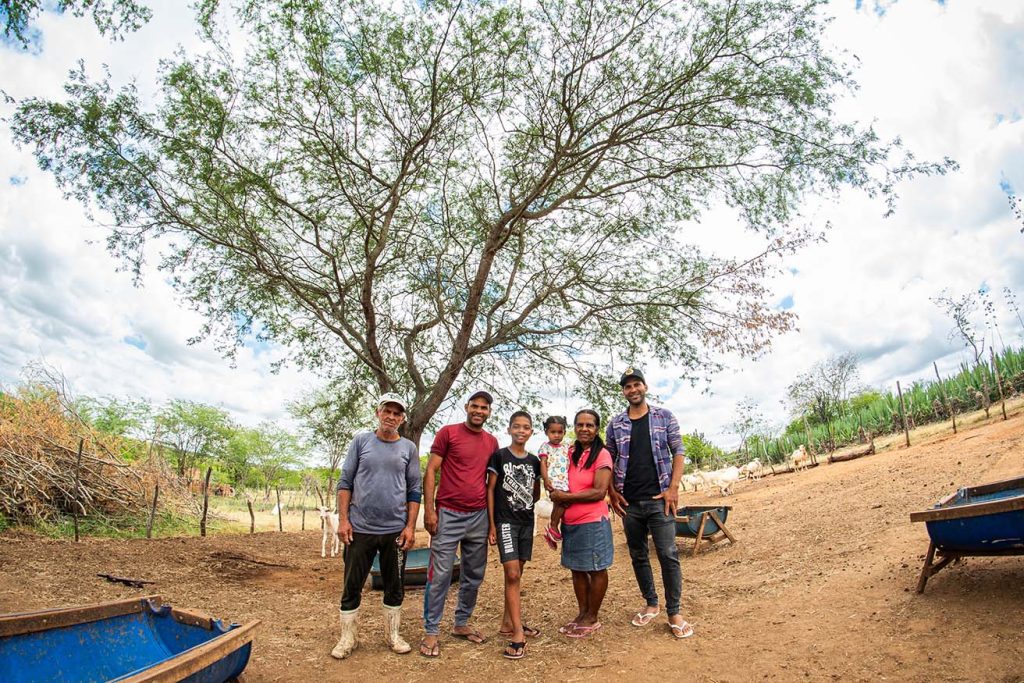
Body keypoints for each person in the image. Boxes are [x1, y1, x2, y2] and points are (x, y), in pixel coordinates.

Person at [332, 393, 422, 659]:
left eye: (397, 413)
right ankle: (348, 638)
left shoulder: (408, 448)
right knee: (352, 584)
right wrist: (343, 519)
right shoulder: (361, 441)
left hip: (395, 530)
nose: (391, 417)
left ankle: (392, 635)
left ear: (402, 418)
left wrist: (410, 527)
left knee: (395, 584)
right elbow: (345, 482)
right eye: (387, 411)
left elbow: (414, 490)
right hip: (360, 528)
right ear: (377, 412)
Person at [606, 367, 694, 639]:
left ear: (645, 386)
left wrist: (673, 488)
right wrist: (611, 492)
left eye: (636, 384)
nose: (632, 390)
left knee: (668, 554)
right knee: (638, 555)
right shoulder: (615, 424)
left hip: (660, 501)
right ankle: (651, 603)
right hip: (629, 503)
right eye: (627, 386)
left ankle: (674, 612)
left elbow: (678, 450)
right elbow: (607, 460)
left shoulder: (664, 416)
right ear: (623, 392)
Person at [420, 390, 499, 657]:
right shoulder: (448, 433)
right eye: (474, 406)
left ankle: (461, 623)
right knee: (439, 575)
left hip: (478, 516)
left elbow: (491, 484)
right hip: (448, 514)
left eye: (484, 408)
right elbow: (431, 469)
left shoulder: (492, 442)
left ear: (489, 412)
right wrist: (430, 511)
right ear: (466, 407)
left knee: (473, 575)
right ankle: (431, 631)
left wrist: (491, 522)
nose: (478, 411)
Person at [550, 409, 614, 639]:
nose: (584, 429)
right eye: (580, 425)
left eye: (590, 425)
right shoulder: (570, 452)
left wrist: (565, 498)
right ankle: (582, 613)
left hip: (592, 522)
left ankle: (592, 616)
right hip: (571, 522)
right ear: (574, 428)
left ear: (597, 429)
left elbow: (599, 492)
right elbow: (558, 478)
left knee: (596, 569)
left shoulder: (602, 455)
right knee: (577, 569)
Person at [487, 410, 542, 659]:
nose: (521, 430)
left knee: (517, 574)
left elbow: (536, 492)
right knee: (511, 574)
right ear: (509, 429)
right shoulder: (499, 457)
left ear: (531, 432)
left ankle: (508, 622)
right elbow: (490, 490)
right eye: (516, 426)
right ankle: (517, 633)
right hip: (505, 522)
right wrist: (492, 525)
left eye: (526, 427)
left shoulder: (534, 462)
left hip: (526, 523)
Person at [538, 415, 571, 548]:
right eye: (553, 432)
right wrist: (546, 479)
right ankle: (553, 525)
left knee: (564, 503)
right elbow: (543, 463)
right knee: (560, 500)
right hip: (553, 480)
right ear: (546, 432)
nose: (556, 435)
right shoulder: (545, 447)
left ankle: (553, 528)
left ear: (564, 432)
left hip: (565, 481)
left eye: (560, 432)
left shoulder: (567, 447)